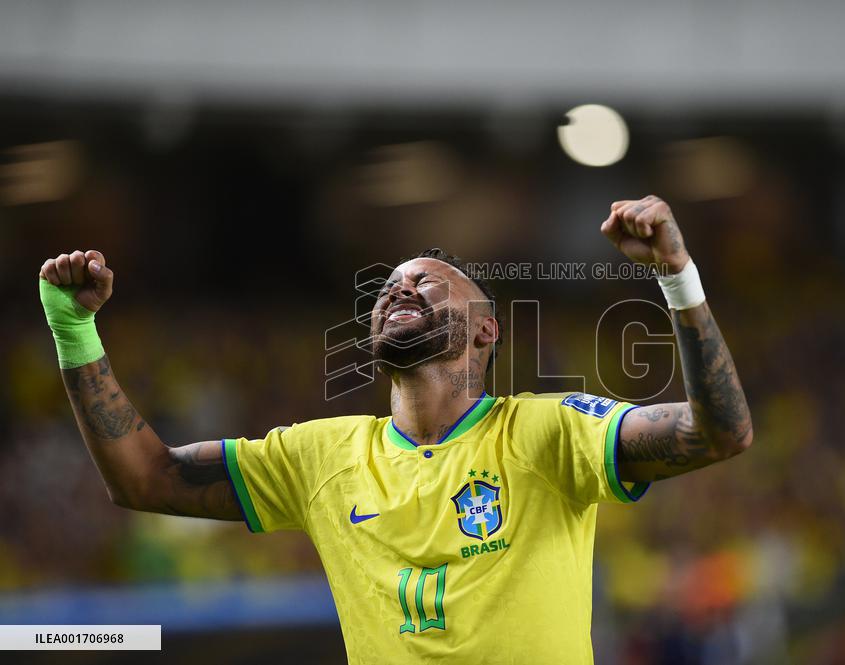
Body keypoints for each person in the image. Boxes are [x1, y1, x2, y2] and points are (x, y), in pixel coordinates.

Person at [38, 195, 753, 664]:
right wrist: (75, 328)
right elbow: (144, 476)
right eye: (388, 287)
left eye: (429, 282)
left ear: (484, 331)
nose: (399, 288)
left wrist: (678, 278)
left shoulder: (546, 431)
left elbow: (719, 434)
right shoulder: (320, 456)